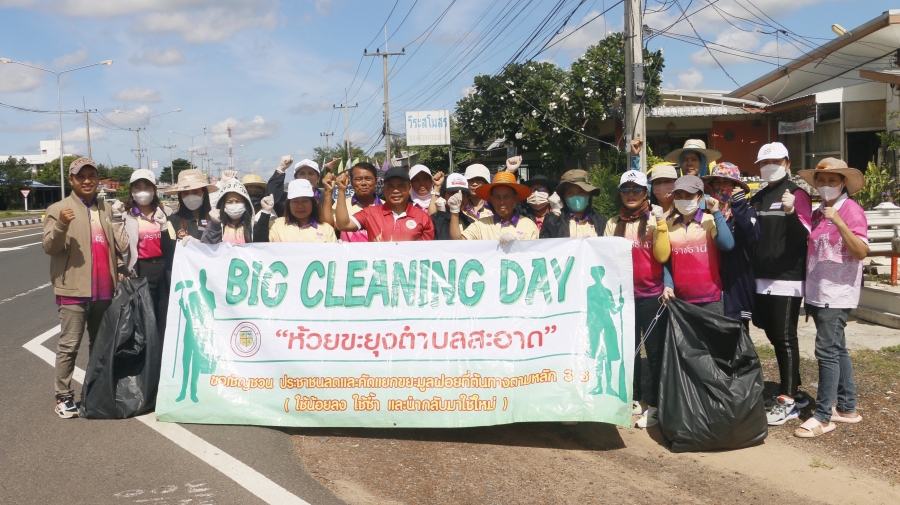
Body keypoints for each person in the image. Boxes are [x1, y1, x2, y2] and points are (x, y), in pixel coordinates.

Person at [42, 157, 129, 418]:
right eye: (81, 176)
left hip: (104, 289)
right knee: (69, 346)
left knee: (100, 344)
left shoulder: (105, 208)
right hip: (73, 290)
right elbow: (49, 247)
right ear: (71, 180)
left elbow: (113, 245)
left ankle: (94, 390)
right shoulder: (58, 208)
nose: (87, 180)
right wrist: (61, 225)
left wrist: (120, 267)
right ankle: (63, 396)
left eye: (92, 175)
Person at [793, 158, 867, 438]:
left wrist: (838, 220)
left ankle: (823, 415)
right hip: (817, 290)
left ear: (843, 182)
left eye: (832, 181)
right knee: (837, 348)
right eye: (821, 181)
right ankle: (847, 408)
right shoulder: (817, 212)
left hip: (836, 294)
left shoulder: (851, 210)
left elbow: (860, 252)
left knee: (826, 351)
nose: (825, 186)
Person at [749, 142, 813, 424]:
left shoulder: (797, 195)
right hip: (760, 276)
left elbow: (803, 238)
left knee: (786, 336)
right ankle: (795, 388)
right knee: (773, 333)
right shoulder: (759, 196)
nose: (769, 166)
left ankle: (788, 400)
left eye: (775, 161)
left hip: (787, 277)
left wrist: (790, 214)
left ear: (787, 163)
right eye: (764, 162)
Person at [604, 170, 670, 428]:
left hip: (652, 296)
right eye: (625, 189)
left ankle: (655, 404)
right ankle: (636, 398)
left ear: (646, 192)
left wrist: (661, 225)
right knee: (628, 351)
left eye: (636, 189)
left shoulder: (655, 219)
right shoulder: (613, 222)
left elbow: (664, 257)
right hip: (624, 297)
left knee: (654, 353)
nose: (630, 194)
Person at [662, 175, 735, 314]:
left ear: (700, 197)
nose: (683, 200)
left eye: (689, 195)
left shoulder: (710, 220)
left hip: (710, 299)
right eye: (679, 196)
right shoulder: (669, 224)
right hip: (679, 299)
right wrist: (668, 285)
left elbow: (728, 244)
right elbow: (667, 260)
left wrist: (716, 212)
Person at [703, 162, 760, 325]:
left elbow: (753, 236)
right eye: (716, 183)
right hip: (709, 284)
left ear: (736, 186)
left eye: (726, 183)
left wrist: (739, 206)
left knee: (738, 336)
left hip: (736, 284)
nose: (720, 187)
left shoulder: (746, 211)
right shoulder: (704, 213)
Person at [122, 168, 171, 339]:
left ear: (154, 190)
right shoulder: (126, 217)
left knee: (165, 317)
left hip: (165, 269)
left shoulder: (165, 213)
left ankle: (164, 360)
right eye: (137, 187)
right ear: (132, 191)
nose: (143, 191)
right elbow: (120, 246)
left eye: (147, 187)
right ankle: (148, 361)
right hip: (142, 270)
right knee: (146, 320)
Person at [335, 166, 434, 242]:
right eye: (390, 186)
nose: (396, 190)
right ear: (384, 190)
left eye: (401, 186)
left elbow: (426, 253)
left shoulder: (423, 217)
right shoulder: (370, 213)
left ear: (410, 189)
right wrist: (341, 190)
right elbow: (343, 225)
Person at [448, 171, 538, 242]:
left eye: (507, 197)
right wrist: (454, 211)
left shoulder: (528, 225)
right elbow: (458, 243)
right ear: (492, 199)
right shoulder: (481, 225)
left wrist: (517, 246)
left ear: (515, 198)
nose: (502, 201)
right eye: (497, 197)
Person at [162, 169, 218, 252]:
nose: (190, 197)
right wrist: (164, 231)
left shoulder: (215, 219)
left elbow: (220, 246)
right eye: (186, 193)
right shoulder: (172, 221)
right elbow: (169, 251)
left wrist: (198, 243)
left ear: (204, 193)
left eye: (195, 192)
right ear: (180, 196)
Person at [539, 169, 608, 238]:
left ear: (589, 194)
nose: (576, 196)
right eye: (570, 192)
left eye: (581, 192)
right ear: (564, 196)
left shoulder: (601, 221)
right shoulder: (553, 221)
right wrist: (555, 217)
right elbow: (545, 244)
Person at [324, 161, 382, 242]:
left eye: (368, 179)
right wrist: (328, 192)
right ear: (351, 182)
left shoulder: (386, 206)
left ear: (376, 181)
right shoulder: (342, 205)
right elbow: (329, 228)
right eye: (358, 179)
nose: (363, 183)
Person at [269, 179, 337, 243]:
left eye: (305, 201)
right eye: (295, 201)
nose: (300, 206)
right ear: (288, 203)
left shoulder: (327, 229)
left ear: (313, 202)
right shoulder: (276, 226)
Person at [201, 179, 266, 245]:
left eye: (238, 201)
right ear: (223, 206)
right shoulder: (215, 225)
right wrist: (215, 225)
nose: (234, 204)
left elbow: (260, 248)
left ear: (246, 203)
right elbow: (207, 247)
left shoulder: (253, 227)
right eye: (229, 202)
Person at [430, 173, 475, 240]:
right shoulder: (433, 220)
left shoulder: (470, 223)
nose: (458, 197)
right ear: (444, 195)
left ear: (467, 197)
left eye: (462, 193)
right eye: (452, 192)